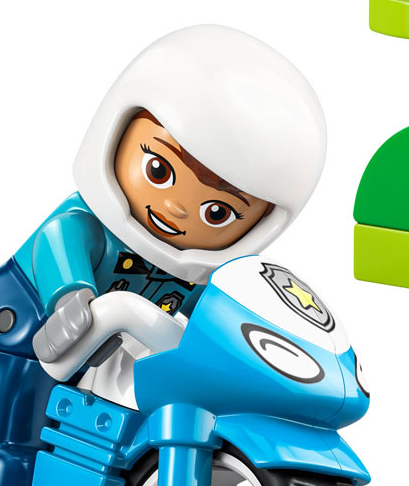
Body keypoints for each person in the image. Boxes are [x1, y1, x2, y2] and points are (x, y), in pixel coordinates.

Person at [25, 24, 327, 387]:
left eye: (216, 213)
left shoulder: (193, 278)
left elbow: (212, 317)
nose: (178, 209)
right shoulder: (83, 228)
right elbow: (57, 242)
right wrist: (71, 301)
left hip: (97, 374)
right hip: (13, 336)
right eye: (158, 170)